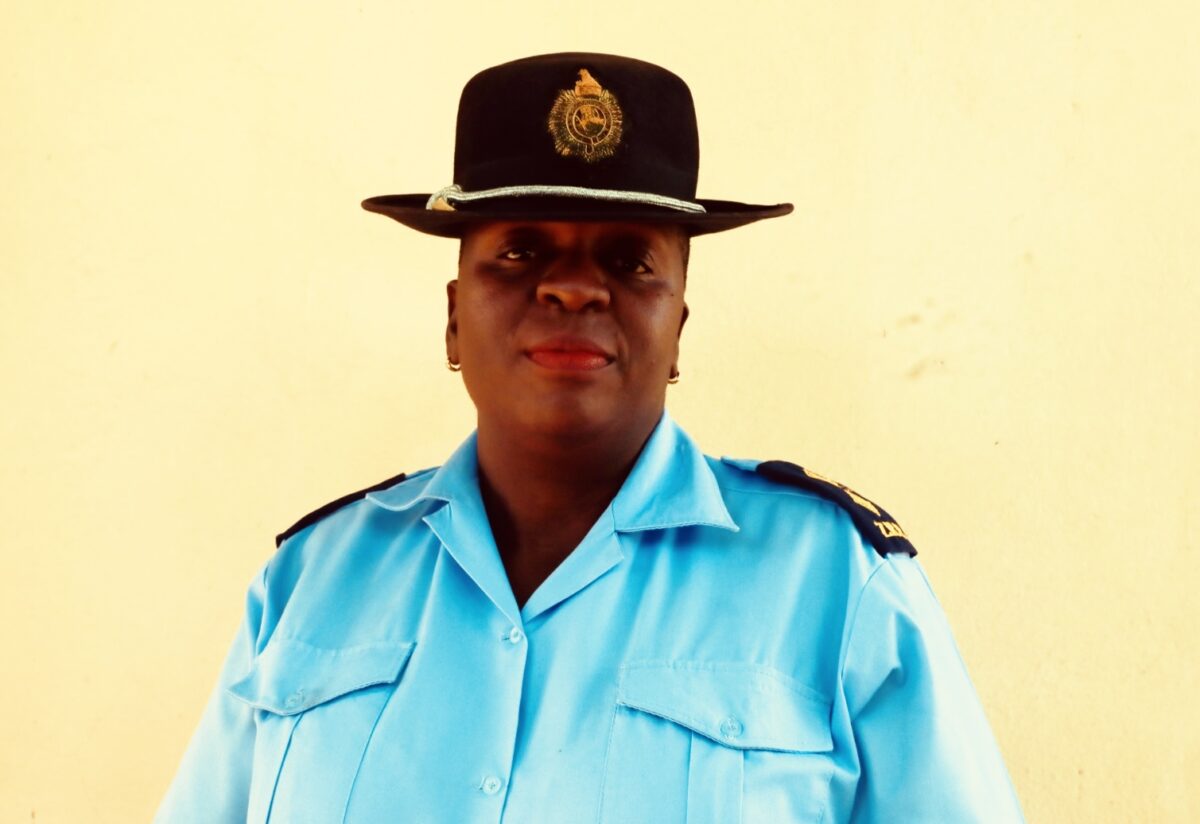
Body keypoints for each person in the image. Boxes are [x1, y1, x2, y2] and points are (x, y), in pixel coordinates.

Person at [156, 52, 1025, 822]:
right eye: (521, 252)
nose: (573, 289)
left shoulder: (836, 586)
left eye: (628, 260)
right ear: (454, 319)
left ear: (677, 327)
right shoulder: (310, 585)